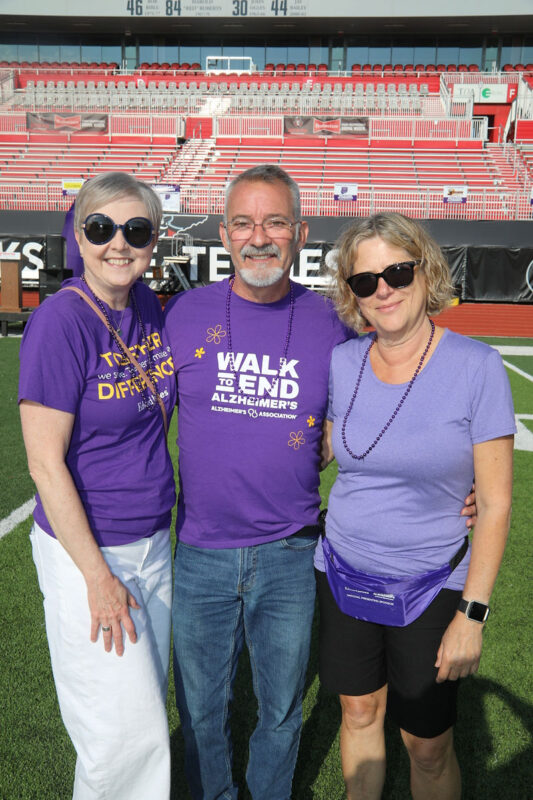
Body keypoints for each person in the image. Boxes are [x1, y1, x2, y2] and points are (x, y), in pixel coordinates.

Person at [164, 166, 477, 800]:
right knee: (200, 715)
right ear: (224, 234)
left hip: (291, 551)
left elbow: (391, 397)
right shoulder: (184, 314)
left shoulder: (332, 323)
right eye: (245, 223)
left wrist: (448, 489)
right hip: (199, 549)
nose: (260, 237)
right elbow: (137, 421)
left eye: (276, 221)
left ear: (300, 232)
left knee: (279, 713)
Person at [314, 212, 515, 800]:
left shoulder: (477, 366)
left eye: (397, 272)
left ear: (425, 272)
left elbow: (497, 504)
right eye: (364, 281)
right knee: (358, 714)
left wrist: (471, 616)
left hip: (432, 583)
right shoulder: (343, 362)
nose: (384, 290)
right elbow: (329, 446)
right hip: (344, 572)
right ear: (351, 294)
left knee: (427, 746)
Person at [19, 172, 177, 800]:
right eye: (101, 228)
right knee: (123, 741)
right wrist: (97, 578)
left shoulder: (145, 305)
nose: (119, 243)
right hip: (90, 552)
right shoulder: (61, 322)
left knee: (141, 717)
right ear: (79, 238)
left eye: (136, 230)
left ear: (154, 241)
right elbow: (44, 464)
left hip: (153, 543)